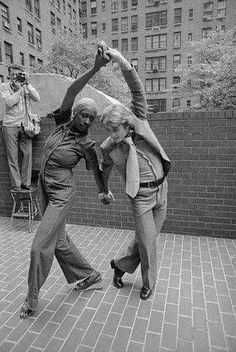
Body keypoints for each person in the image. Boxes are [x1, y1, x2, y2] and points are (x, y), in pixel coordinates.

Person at [20, 46, 112, 318]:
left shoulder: (87, 144)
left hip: (62, 194)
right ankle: (90, 276)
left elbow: (97, 171)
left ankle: (32, 299)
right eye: (84, 115)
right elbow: (72, 90)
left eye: (92, 119)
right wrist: (95, 68)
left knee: (39, 246)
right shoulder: (62, 122)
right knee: (58, 242)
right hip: (46, 189)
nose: (87, 121)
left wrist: (104, 193)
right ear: (75, 113)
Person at [99, 43, 171, 300]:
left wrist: (120, 60)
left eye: (115, 130)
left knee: (145, 239)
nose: (112, 135)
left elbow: (137, 90)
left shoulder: (139, 122)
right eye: (108, 130)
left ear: (125, 124)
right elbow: (103, 168)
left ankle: (119, 266)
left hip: (161, 190)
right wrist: (104, 190)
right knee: (149, 243)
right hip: (140, 197)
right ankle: (148, 284)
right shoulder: (109, 146)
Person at [0, 64, 40, 191]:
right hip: (10, 125)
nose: (14, 77)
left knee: (27, 154)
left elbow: (37, 98)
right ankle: (16, 185)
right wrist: (18, 90)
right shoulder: (5, 86)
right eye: (12, 74)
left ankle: (25, 183)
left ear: (22, 74)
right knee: (12, 156)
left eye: (17, 74)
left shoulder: (26, 85)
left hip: (26, 125)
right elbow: (9, 102)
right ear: (9, 75)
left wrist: (27, 85)